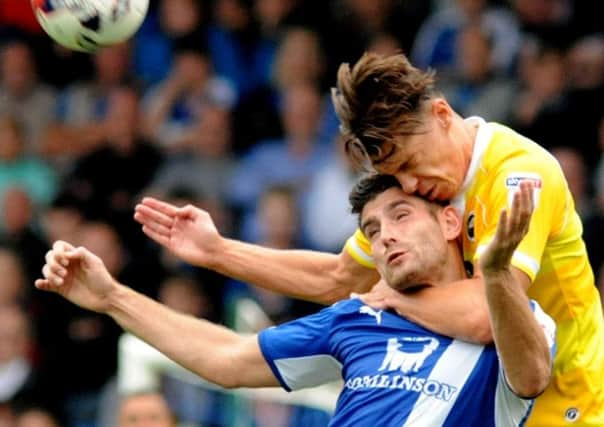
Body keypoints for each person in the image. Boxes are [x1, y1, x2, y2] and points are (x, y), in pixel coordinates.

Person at [134, 52, 604, 426]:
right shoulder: (422, 193)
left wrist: (392, 299)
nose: (411, 184)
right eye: (394, 173)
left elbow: (486, 314)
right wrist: (219, 251)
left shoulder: (519, 174)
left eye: (411, 162)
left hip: (568, 401)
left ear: (441, 114)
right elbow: (340, 277)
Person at [35, 176, 554, 426]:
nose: (386, 236)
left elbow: (530, 376)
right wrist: (113, 298)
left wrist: (498, 272)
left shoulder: (513, 318)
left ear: (447, 223)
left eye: (401, 216)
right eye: (372, 229)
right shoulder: (357, 317)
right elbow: (228, 360)